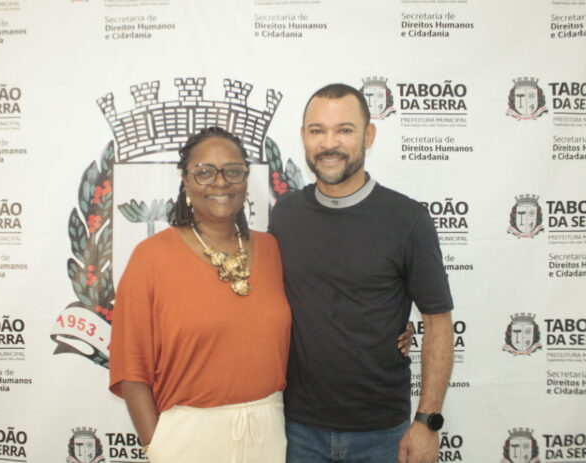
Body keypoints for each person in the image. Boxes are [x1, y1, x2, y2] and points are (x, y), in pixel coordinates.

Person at [269, 84, 454, 463]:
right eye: (317, 130)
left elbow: (438, 322)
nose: (329, 143)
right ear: (303, 137)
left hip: (382, 433)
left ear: (368, 135)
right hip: (296, 429)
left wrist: (427, 421)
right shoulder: (285, 214)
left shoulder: (408, 219)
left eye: (344, 130)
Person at [108, 127, 292, 462]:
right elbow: (131, 368)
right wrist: (157, 447)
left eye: (233, 171)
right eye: (205, 172)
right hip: (188, 441)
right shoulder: (151, 257)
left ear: (245, 179)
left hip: (268, 435)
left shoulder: (272, 249)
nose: (221, 182)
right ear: (186, 182)